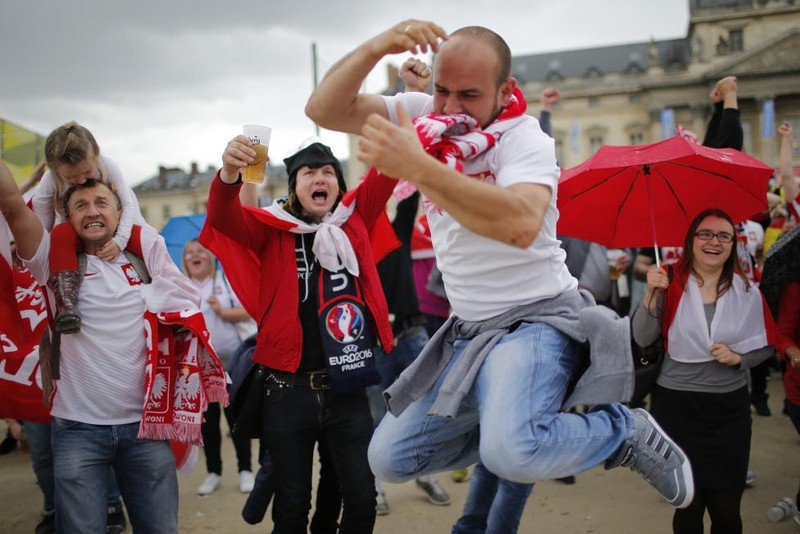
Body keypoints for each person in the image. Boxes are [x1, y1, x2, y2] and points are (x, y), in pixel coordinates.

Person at [305, 18, 694, 513]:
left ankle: (623, 431)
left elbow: (520, 224)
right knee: (389, 458)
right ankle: (513, 425)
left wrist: (418, 166)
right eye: (442, 89)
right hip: (467, 328)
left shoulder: (523, 138)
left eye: (468, 94)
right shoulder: (424, 117)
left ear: (504, 90)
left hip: (537, 317)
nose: (449, 106)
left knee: (511, 452)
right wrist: (379, 45)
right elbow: (324, 108)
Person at [0, 161, 221, 533]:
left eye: (101, 202)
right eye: (80, 206)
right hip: (77, 430)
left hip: (145, 429)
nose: (92, 212)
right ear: (66, 219)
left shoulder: (147, 256)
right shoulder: (49, 262)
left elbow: (185, 301)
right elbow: (10, 204)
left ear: (121, 211)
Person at [200, 135, 397, 533]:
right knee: (292, 505)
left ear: (339, 186)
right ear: (294, 186)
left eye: (328, 172)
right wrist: (230, 173)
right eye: (309, 173)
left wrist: (408, 96)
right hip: (288, 392)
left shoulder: (353, 220)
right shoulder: (272, 230)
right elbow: (222, 217)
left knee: (359, 495)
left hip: (348, 389)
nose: (320, 178)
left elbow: (387, 172)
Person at [632, 209, 777, 533]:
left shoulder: (746, 290)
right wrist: (650, 293)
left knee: (727, 513)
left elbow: (767, 344)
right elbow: (642, 337)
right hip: (676, 408)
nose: (714, 242)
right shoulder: (668, 280)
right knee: (687, 508)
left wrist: (739, 358)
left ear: (733, 244)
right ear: (691, 241)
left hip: (728, 411)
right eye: (706, 234)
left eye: (724, 236)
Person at [31, 121, 145, 334]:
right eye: (71, 179)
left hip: (121, 225)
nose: (81, 181)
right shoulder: (49, 180)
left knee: (148, 240)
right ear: (55, 170)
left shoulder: (109, 166)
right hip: (76, 229)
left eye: (87, 173)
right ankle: (66, 304)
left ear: (96, 158)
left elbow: (127, 204)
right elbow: (40, 213)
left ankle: (169, 294)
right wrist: (41, 247)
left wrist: (120, 240)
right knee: (60, 234)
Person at [182, 238, 256, 495]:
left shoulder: (225, 281)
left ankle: (245, 470)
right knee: (207, 423)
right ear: (185, 261)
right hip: (200, 367)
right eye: (190, 252)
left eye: (200, 250)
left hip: (231, 364)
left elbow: (248, 310)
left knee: (235, 418)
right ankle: (214, 472)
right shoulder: (181, 288)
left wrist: (223, 311)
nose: (195, 255)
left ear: (209, 257)